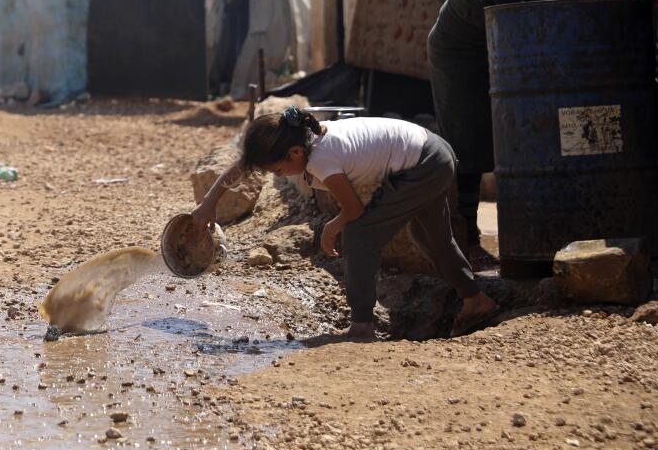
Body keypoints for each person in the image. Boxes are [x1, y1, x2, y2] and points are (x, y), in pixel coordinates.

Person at [193, 108, 497, 339]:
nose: (277, 175)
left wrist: (331, 227)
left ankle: (361, 326)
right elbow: (242, 167)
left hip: (424, 165)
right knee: (429, 236)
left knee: (359, 235)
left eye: (278, 169)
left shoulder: (323, 159)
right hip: (434, 153)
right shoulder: (306, 138)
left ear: (295, 153)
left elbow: (354, 208)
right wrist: (208, 205)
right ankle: (475, 301)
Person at [427, 0, 572, 262]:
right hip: (460, 52)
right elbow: (514, 23)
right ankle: (462, 238)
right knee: (467, 140)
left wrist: (564, 0)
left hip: (493, 41)